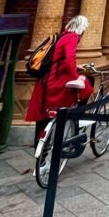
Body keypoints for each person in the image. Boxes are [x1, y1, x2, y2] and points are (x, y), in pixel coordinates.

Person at [25, 15, 94, 145]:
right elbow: (69, 59)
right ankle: (77, 116)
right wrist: (75, 76)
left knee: (42, 118)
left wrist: (76, 67)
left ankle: (41, 157)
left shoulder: (63, 36)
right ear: (81, 28)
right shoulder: (73, 37)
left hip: (45, 81)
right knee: (88, 81)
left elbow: (58, 59)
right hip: (55, 80)